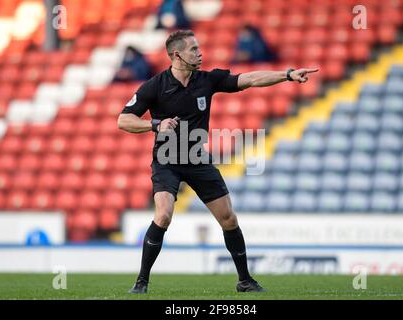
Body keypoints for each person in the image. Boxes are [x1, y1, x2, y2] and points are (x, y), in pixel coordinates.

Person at [117, 30, 318, 294]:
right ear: (177, 55)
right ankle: (141, 282)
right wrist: (155, 124)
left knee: (229, 219)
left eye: (199, 48)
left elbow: (250, 79)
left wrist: (287, 74)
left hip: (198, 159)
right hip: (167, 160)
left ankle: (244, 280)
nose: (200, 53)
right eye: (193, 49)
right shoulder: (155, 85)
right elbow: (123, 120)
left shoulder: (207, 80)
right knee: (163, 214)